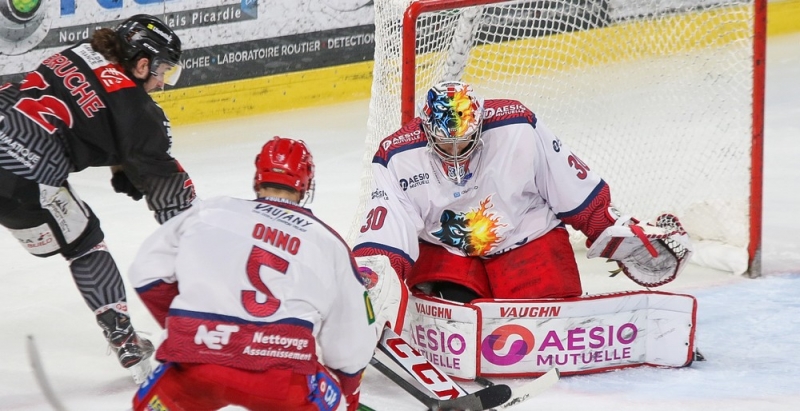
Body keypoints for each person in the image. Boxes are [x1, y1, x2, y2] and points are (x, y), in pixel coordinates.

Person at [353, 80, 692, 314]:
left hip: (525, 237)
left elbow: (567, 183)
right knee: (449, 314)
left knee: (551, 314)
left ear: (480, 125)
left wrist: (605, 225)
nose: (455, 152)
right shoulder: (397, 155)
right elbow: (388, 231)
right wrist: (372, 282)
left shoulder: (517, 126)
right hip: (448, 251)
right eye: (445, 143)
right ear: (426, 130)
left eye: (463, 140)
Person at [0, 14, 196, 383]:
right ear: (142, 64)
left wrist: (122, 164)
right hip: (20, 175)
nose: (162, 83)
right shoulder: (141, 114)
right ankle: (124, 340)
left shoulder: (80, 52)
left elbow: (91, 113)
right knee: (85, 243)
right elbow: (173, 203)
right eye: (162, 71)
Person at [129, 136, 375, 411]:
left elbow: (146, 271)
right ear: (306, 183)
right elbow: (351, 341)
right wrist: (348, 393)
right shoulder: (328, 243)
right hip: (280, 379)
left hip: (197, 362)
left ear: (258, 177)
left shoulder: (210, 211)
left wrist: (184, 327)